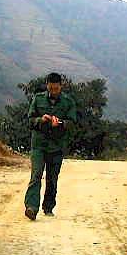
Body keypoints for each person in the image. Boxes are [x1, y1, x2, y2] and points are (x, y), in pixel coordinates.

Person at [24, 72, 77, 220]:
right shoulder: (38, 98)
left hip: (57, 146)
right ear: (47, 85)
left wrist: (60, 123)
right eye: (51, 88)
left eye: (56, 88)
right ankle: (31, 207)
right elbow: (29, 120)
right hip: (39, 145)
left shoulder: (68, 102)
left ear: (61, 86)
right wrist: (41, 120)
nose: (53, 91)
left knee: (52, 178)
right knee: (36, 175)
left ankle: (48, 207)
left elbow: (72, 123)